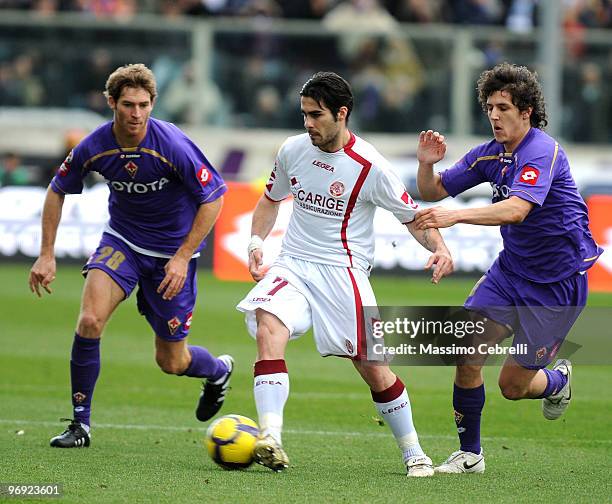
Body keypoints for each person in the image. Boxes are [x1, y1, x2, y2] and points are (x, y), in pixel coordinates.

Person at [236, 71, 454, 476]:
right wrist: (255, 243)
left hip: (344, 272)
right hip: (293, 264)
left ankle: (414, 452)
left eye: (316, 115)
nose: (308, 123)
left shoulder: (370, 166)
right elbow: (269, 200)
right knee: (269, 326)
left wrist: (440, 247)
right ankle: (270, 438)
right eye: (303, 114)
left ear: (342, 113)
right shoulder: (292, 150)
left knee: (373, 367)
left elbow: (412, 216)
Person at [28, 63, 233, 448]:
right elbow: (57, 190)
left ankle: (218, 370)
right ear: (111, 103)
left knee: (172, 362)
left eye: (143, 105)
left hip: (172, 257)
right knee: (89, 320)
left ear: (153, 103)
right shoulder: (94, 145)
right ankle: (80, 424)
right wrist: (46, 255)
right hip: (121, 242)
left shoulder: (172, 144)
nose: (136, 114)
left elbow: (214, 197)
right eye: (127, 105)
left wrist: (183, 255)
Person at [415, 62, 603, 473]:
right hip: (511, 274)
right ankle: (470, 455)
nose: (494, 116)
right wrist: (427, 164)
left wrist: (455, 217)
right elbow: (433, 190)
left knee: (512, 387)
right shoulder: (489, 154)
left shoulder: (542, 150)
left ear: (526, 113)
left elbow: (517, 210)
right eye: (489, 107)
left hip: (557, 286)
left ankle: (557, 382)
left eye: (503, 107)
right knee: (467, 353)